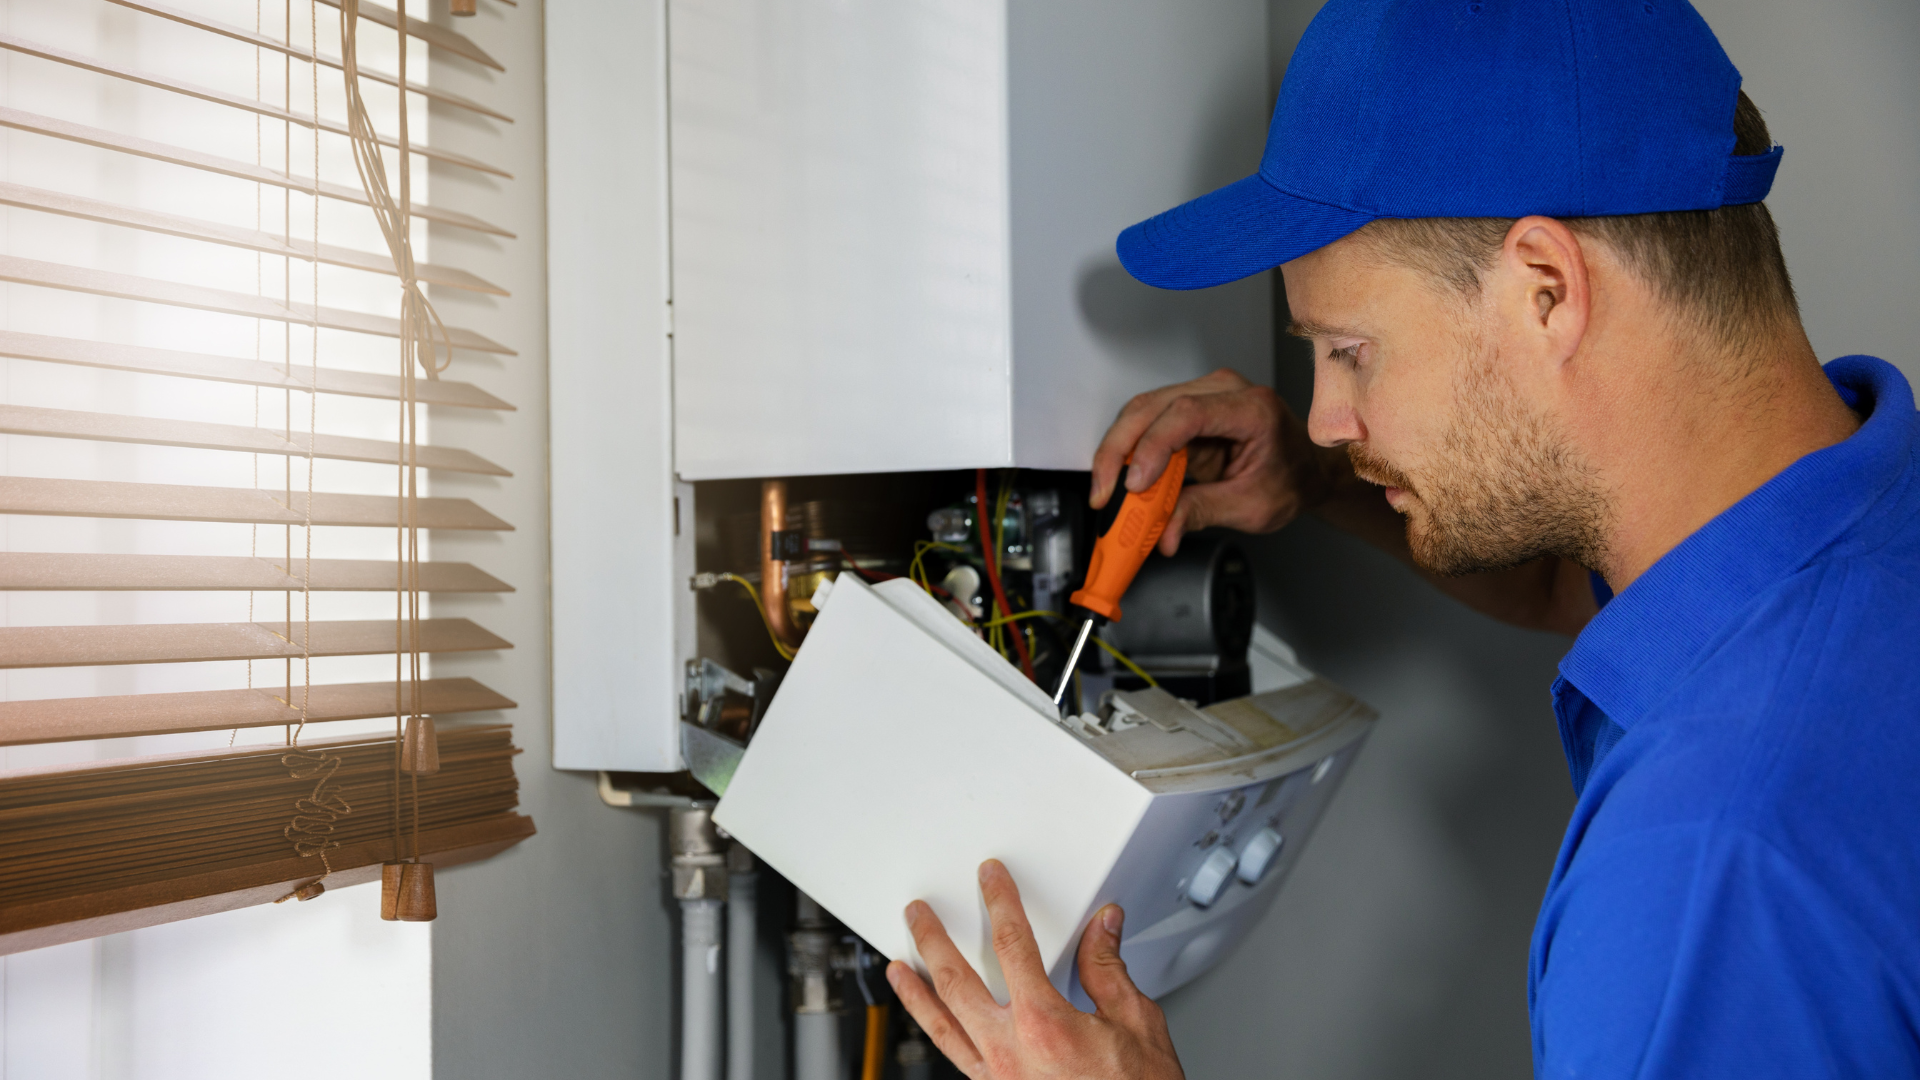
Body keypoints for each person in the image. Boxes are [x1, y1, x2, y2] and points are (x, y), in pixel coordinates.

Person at [883, 0, 1920, 1076]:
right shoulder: (1862, 512)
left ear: (1546, 291)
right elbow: (1590, 587)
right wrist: (1321, 480)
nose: (1326, 415)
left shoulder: (1707, 879)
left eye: (1350, 350)